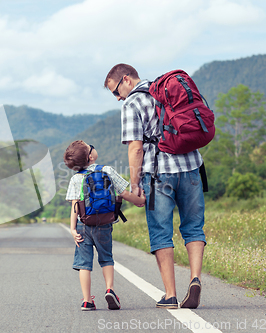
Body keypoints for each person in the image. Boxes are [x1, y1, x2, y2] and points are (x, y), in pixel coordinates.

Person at [104, 64, 206, 309]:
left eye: (116, 91)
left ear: (126, 80)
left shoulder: (132, 103)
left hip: (157, 174)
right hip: (191, 166)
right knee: (193, 227)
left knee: (161, 232)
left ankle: (170, 294)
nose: (118, 98)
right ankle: (195, 279)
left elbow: (136, 148)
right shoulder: (166, 91)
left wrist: (135, 183)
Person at [64, 140, 145, 311]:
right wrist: (140, 201)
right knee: (106, 258)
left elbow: (75, 206)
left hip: (83, 225)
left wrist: (72, 230)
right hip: (104, 224)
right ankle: (110, 290)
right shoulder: (107, 170)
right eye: (90, 147)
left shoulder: (75, 178)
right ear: (91, 156)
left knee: (84, 264)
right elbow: (124, 193)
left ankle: (87, 300)